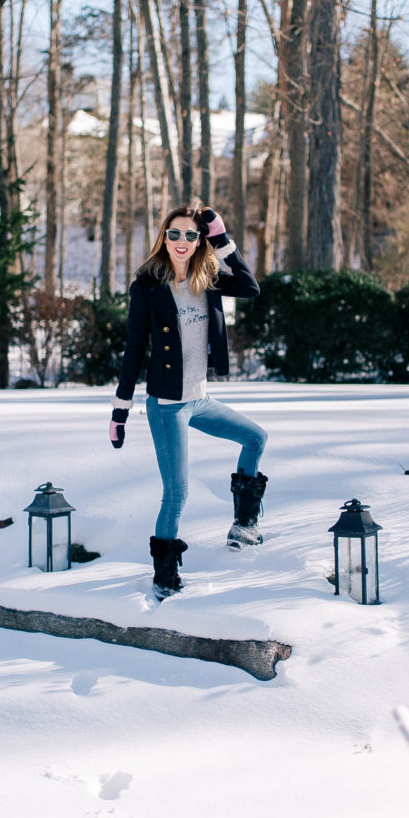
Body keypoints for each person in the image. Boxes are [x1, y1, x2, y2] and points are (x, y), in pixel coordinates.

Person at [109, 202, 268, 600]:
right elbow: (133, 349)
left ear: (201, 241)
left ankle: (244, 526)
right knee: (177, 492)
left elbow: (250, 287)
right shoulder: (147, 286)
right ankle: (164, 579)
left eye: (191, 235)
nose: (182, 241)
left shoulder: (209, 277)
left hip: (199, 399)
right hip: (166, 405)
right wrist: (120, 409)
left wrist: (224, 240)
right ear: (164, 237)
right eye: (175, 234)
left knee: (255, 438)